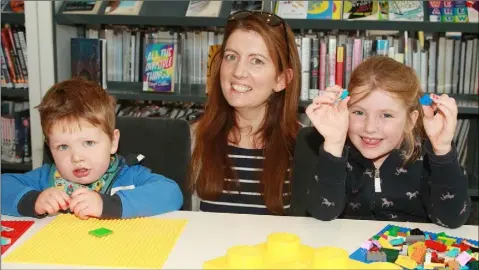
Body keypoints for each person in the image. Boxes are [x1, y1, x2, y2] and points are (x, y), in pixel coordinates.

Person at [302, 56, 470, 228]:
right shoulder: (338, 153)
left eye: (386, 115)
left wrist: (442, 151)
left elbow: (452, 220)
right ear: (344, 110)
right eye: (359, 112)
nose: (370, 127)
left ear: (410, 120)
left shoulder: (428, 158)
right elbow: (322, 214)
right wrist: (333, 144)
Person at [1, 79, 183, 219]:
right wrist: (33, 200)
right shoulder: (45, 179)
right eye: (63, 146)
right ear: (50, 149)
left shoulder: (129, 176)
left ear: (113, 141)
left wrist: (108, 205)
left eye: (88, 143)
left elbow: (171, 193)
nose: (76, 157)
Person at [189, 11, 301, 215]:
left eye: (256, 61)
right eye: (231, 57)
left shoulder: (304, 147)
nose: (238, 72)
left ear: (282, 79)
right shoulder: (192, 140)